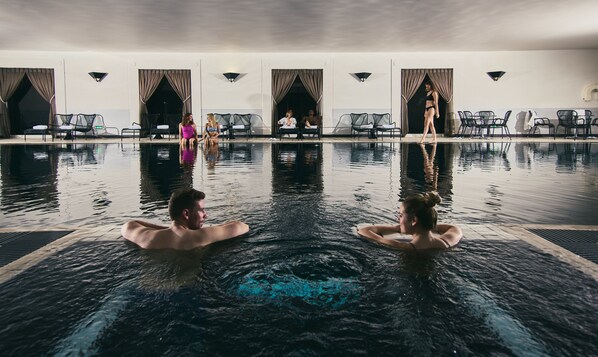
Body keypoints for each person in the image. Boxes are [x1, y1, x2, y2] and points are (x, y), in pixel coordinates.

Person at [121, 188, 249, 250]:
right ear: (186, 214)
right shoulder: (199, 236)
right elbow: (241, 226)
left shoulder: (147, 237)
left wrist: (169, 228)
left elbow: (129, 224)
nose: (206, 215)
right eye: (202, 210)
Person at [357, 191, 462, 252]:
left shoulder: (404, 247)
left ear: (414, 220)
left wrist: (394, 228)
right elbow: (454, 228)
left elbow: (363, 230)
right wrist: (427, 224)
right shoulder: (446, 243)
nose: (398, 219)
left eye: (401, 215)